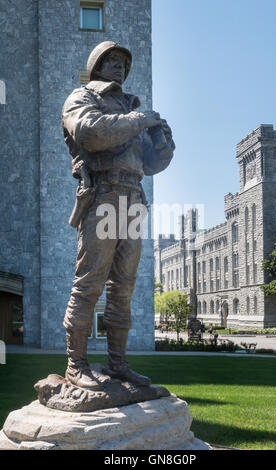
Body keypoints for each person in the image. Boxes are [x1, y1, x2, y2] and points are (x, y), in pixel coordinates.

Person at [62, 41, 175, 391]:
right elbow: (91, 133)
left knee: (123, 287)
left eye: (123, 64)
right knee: (89, 283)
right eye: (111, 61)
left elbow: (150, 164)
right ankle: (75, 364)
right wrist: (139, 119)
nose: (119, 68)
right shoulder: (83, 97)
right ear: (97, 65)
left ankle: (118, 364)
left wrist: (162, 142)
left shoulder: (129, 109)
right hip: (103, 195)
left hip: (134, 198)